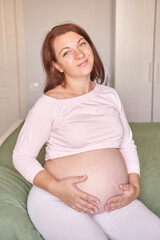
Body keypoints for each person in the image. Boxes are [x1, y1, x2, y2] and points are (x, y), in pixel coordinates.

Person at [13, 23, 160, 240]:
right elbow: (21, 156)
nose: (79, 53)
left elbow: (127, 144)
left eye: (82, 44)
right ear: (57, 66)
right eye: (66, 52)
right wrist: (56, 188)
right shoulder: (49, 104)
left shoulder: (110, 95)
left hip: (114, 203)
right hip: (56, 201)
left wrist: (135, 186)